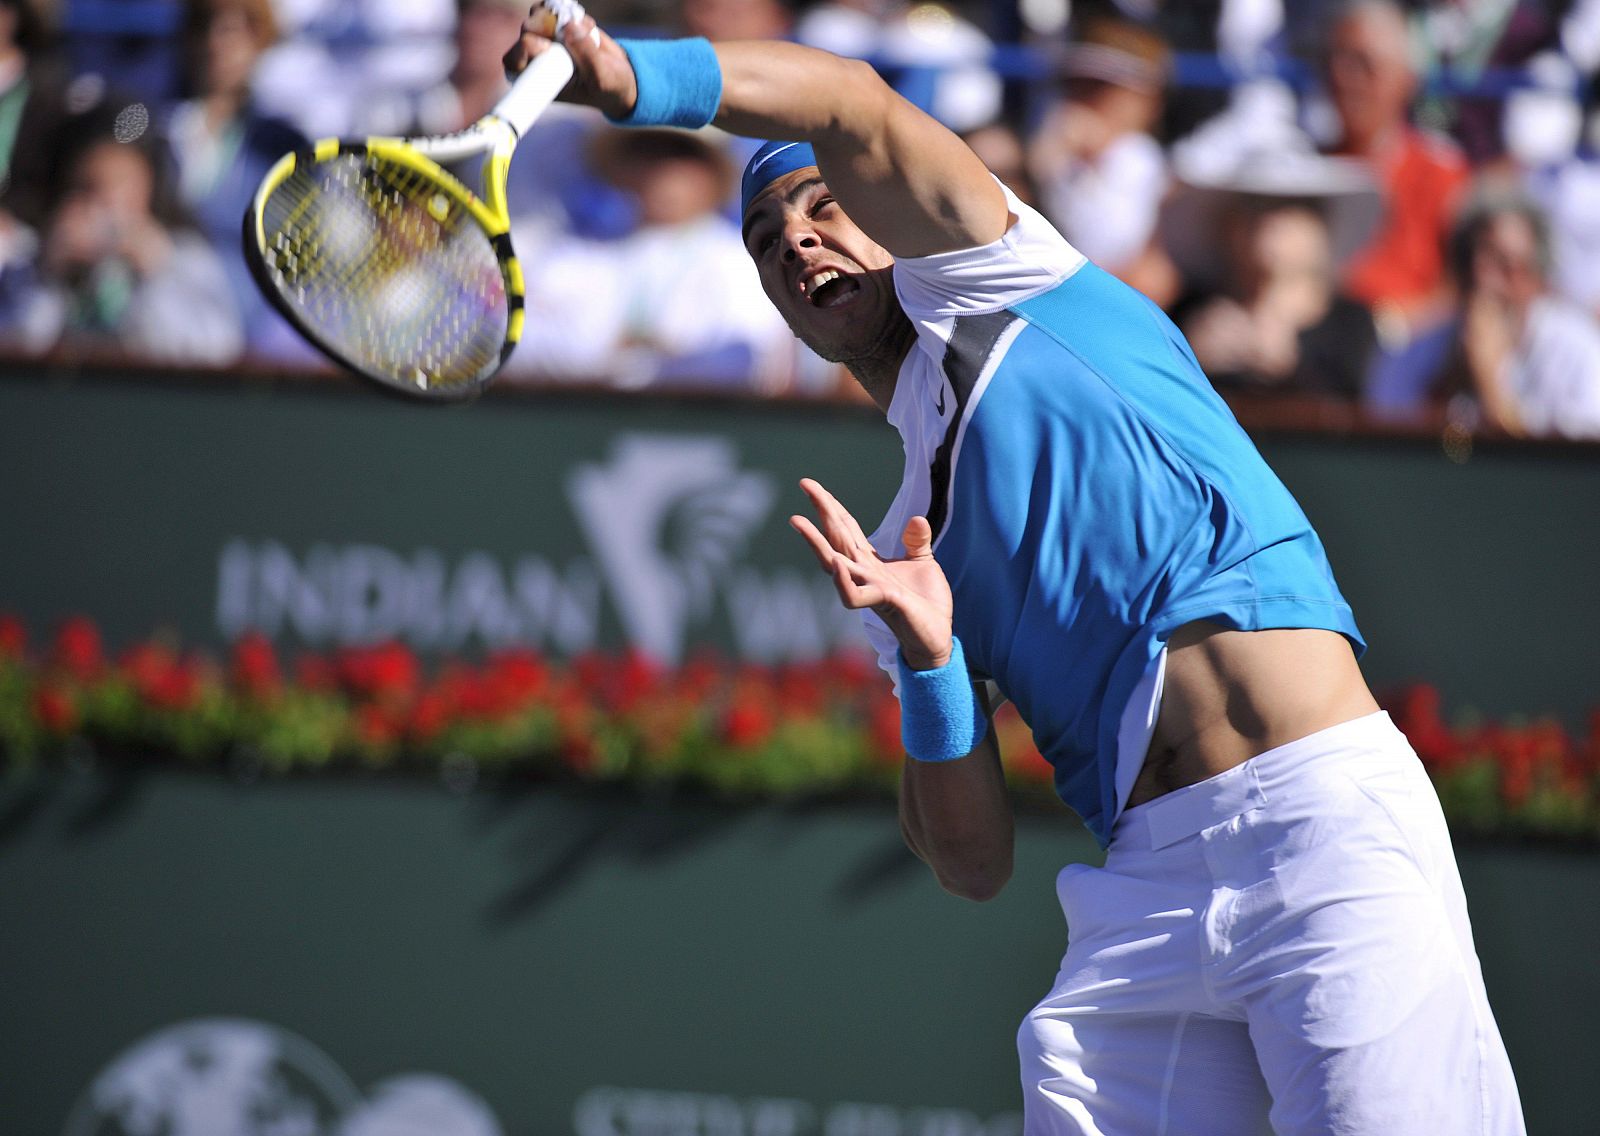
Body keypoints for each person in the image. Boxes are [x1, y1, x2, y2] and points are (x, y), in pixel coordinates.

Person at [505, 8, 1526, 1133]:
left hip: (1321, 824)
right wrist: (932, 659)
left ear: (895, 215)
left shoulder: (1004, 274)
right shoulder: (903, 547)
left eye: (823, 207)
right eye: (762, 241)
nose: (793, 245)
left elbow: (846, 99)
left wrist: (626, 74)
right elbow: (970, 856)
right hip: (1144, 889)